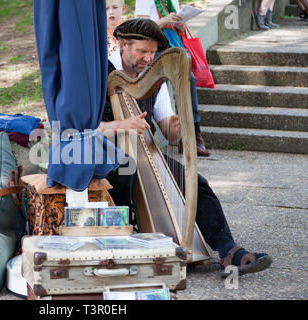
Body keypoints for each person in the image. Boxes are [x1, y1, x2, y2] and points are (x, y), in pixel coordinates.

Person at [98, 18, 273, 277]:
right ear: (124, 45)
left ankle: (229, 250)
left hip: (145, 156)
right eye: (142, 51)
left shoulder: (152, 81)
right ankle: (123, 246)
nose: (148, 59)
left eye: (152, 53)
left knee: (195, 182)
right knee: (126, 171)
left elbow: (168, 132)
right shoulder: (100, 74)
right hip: (105, 156)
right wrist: (122, 125)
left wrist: (176, 128)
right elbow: (85, 129)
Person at [135, 0, 211, 157]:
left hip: (172, 46)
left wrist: (180, 25)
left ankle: (193, 135)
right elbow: (140, 29)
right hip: (153, 49)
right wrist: (164, 21)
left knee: (188, 78)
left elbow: (175, 24)